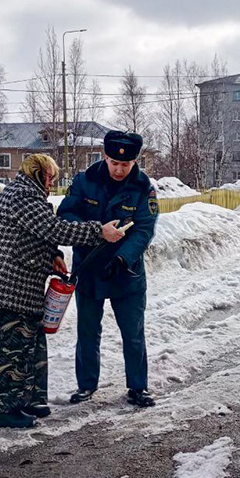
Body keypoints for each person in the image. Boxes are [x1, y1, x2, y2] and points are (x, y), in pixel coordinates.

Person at [0, 154, 124, 428]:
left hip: (17, 286)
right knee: (10, 352)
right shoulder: (23, 197)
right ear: (41, 174)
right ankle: (7, 411)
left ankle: (30, 400)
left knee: (28, 346)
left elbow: (34, 236)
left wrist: (53, 256)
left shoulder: (23, 194)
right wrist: (99, 232)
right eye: (51, 178)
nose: (52, 184)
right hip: (9, 288)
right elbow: (53, 229)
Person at [57, 130, 159, 407]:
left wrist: (122, 259)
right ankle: (86, 385)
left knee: (133, 332)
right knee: (88, 331)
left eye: (125, 164)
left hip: (126, 273)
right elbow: (65, 216)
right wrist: (96, 233)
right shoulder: (85, 181)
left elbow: (144, 230)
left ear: (135, 161)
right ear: (105, 157)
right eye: (114, 163)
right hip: (89, 268)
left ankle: (138, 387)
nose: (119, 169)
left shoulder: (142, 188)